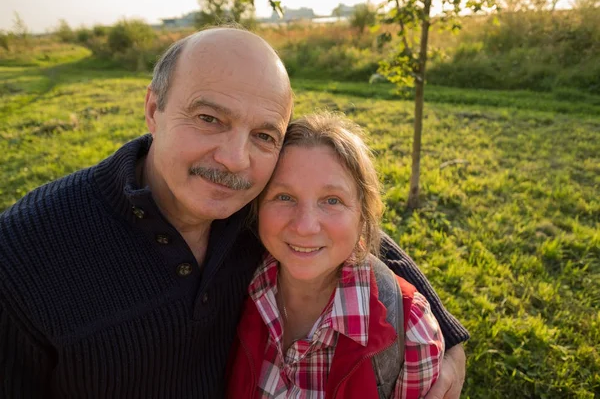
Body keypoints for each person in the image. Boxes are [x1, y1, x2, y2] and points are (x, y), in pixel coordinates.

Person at [0, 27, 467, 398]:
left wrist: (445, 332)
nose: (235, 159)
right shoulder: (24, 252)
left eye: (264, 135)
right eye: (209, 119)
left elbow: (344, 229)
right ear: (153, 108)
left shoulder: (249, 209)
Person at [227, 113, 444, 398]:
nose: (305, 227)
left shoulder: (412, 332)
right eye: (284, 197)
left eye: (332, 201)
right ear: (257, 208)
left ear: (363, 215)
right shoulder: (229, 284)